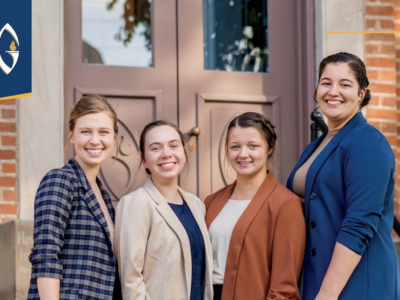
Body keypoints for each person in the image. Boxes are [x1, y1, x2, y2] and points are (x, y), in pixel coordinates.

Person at [287, 52, 400, 300]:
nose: (333, 91)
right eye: (326, 82)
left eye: (345, 84)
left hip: (356, 284)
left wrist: (327, 294)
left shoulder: (368, 142)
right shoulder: (315, 146)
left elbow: (359, 224)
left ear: (361, 94)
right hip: (317, 277)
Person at [28, 94, 122, 299]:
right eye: (85, 131)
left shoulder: (103, 197)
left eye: (103, 132)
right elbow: (46, 256)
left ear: (114, 138)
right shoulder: (60, 180)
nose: (95, 140)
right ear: (71, 135)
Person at [205, 112, 306, 300]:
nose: (243, 154)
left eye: (253, 146)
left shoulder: (285, 205)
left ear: (269, 148)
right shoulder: (211, 202)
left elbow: (284, 288)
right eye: (235, 147)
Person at [115, 120, 213, 300]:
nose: (166, 154)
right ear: (144, 160)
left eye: (173, 145)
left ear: (184, 152)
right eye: (155, 148)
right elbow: (131, 281)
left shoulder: (196, 205)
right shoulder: (136, 203)